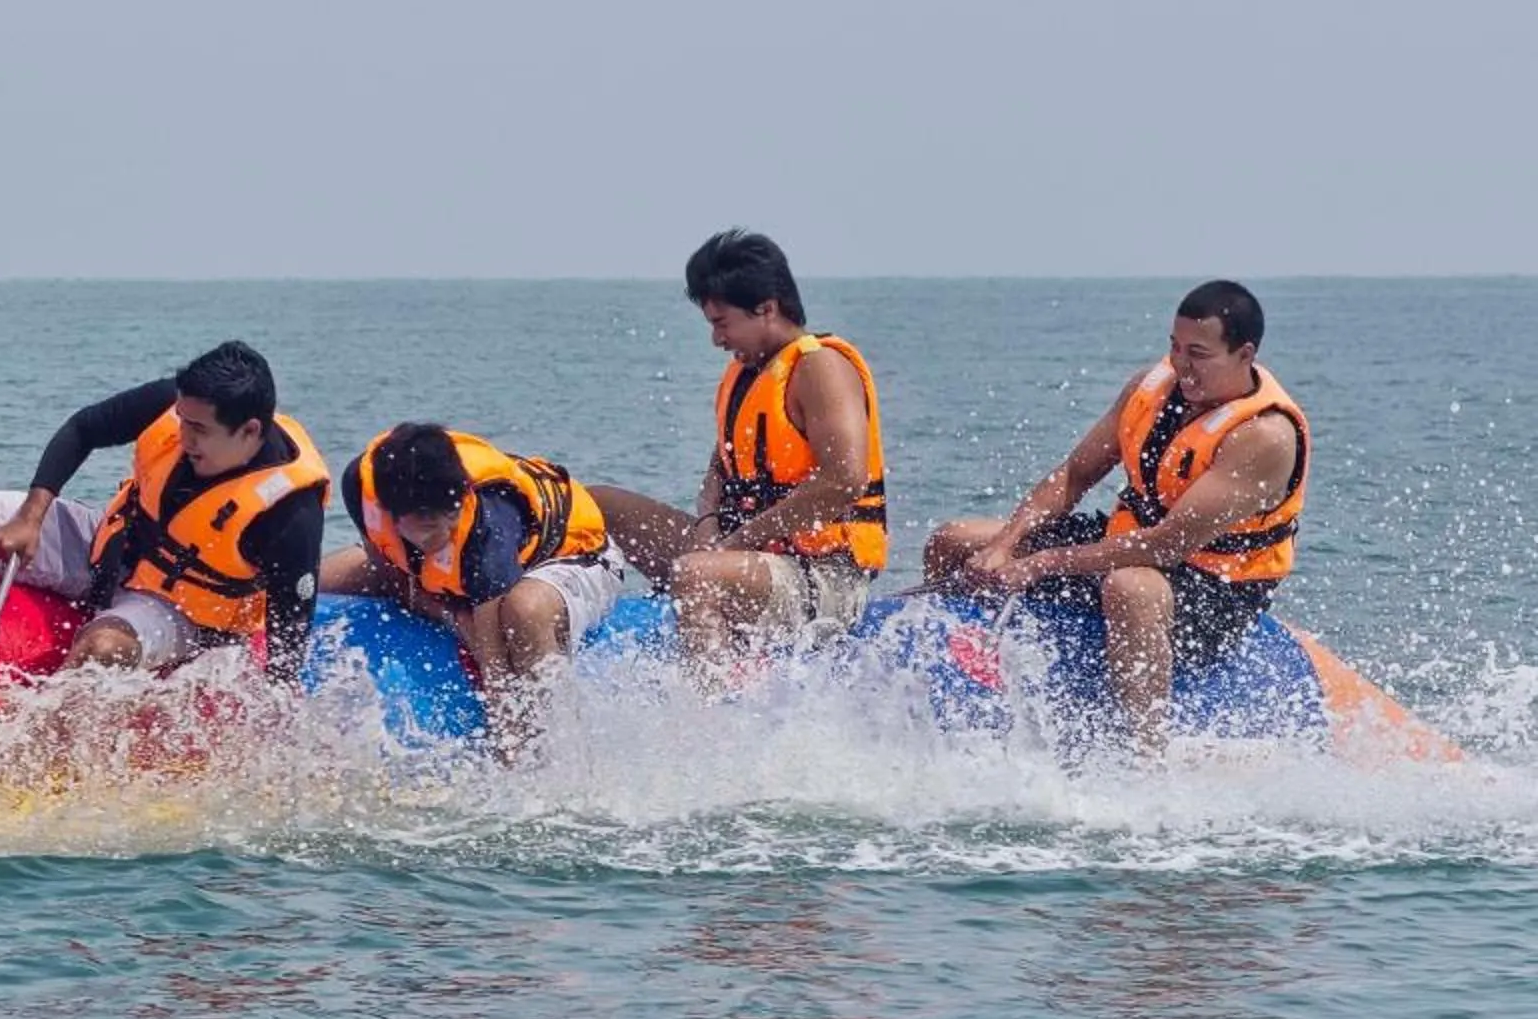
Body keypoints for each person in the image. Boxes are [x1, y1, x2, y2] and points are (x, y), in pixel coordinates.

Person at [922, 281, 1306, 748]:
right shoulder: (1150, 389)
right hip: (1121, 543)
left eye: (1198, 354)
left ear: (1244, 355)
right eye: (1175, 347)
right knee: (955, 539)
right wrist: (1004, 547)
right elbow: (1073, 476)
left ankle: (1145, 752)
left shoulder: (1264, 436)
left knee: (1131, 587)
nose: (1181, 365)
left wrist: (1041, 564)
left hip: (1213, 588)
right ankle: (950, 682)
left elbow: (1167, 545)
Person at [0, 341, 326, 681]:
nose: (184, 437)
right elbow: (83, 429)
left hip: (184, 611)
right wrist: (31, 517)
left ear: (250, 430)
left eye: (199, 430)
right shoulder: (181, 403)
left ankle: (35, 744)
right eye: (183, 421)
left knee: (102, 648)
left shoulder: (290, 513)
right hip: (110, 546)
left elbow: (289, 640)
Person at [590, 230, 888, 660]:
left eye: (721, 323)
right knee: (595, 505)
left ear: (766, 308)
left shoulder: (821, 368)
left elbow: (843, 482)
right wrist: (709, 524)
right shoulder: (750, 375)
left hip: (826, 579)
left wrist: (736, 543)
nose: (717, 339)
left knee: (697, 574)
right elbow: (720, 470)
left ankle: (711, 699)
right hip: (742, 555)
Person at [322, 423, 621, 735]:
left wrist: (507, 744)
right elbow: (392, 580)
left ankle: (554, 738)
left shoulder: (487, 525)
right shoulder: (360, 484)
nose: (445, 532)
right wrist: (454, 618)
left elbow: (496, 668)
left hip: (578, 556)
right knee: (315, 582)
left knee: (522, 611)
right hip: (444, 568)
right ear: (391, 515)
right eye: (428, 526)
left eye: (452, 518)